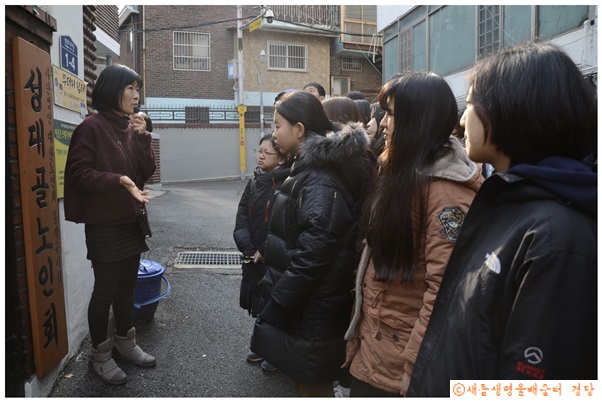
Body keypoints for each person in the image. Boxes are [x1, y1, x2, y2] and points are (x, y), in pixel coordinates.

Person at [407, 43, 597, 397]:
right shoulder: (510, 200)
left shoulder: (557, 236)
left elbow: (535, 384)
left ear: (514, 110)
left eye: (473, 104)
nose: (463, 119)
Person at [343, 72, 484, 396]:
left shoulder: (445, 191)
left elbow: (444, 289)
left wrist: (415, 363)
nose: (384, 123)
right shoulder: (405, 171)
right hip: (380, 344)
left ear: (418, 119)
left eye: (392, 114)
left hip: (403, 359)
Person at [250, 91, 372, 397]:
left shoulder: (319, 180)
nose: (274, 132)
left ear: (300, 129)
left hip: (313, 308)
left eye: (278, 125)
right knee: (302, 378)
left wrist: (278, 300)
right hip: (305, 304)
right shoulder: (308, 169)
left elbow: (313, 256)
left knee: (311, 386)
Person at [64, 64, 157, 385]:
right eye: (130, 88)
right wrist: (118, 180)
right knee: (104, 291)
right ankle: (99, 356)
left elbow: (145, 172)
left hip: (130, 220)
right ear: (112, 90)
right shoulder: (91, 127)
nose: (136, 95)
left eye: (137, 89)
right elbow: (78, 174)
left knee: (127, 287)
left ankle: (125, 343)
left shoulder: (129, 127)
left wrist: (144, 138)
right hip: (104, 224)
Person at [233, 133, 291, 372]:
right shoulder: (255, 181)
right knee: (259, 301)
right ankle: (261, 344)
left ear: (281, 159)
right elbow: (242, 218)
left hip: (275, 257)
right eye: (259, 151)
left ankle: (275, 351)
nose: (261, 156)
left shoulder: (287, 182)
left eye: (267, 153)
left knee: (275, 302)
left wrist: (266, 251)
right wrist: (248, 248)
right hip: (254, 255)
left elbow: (284, 225)